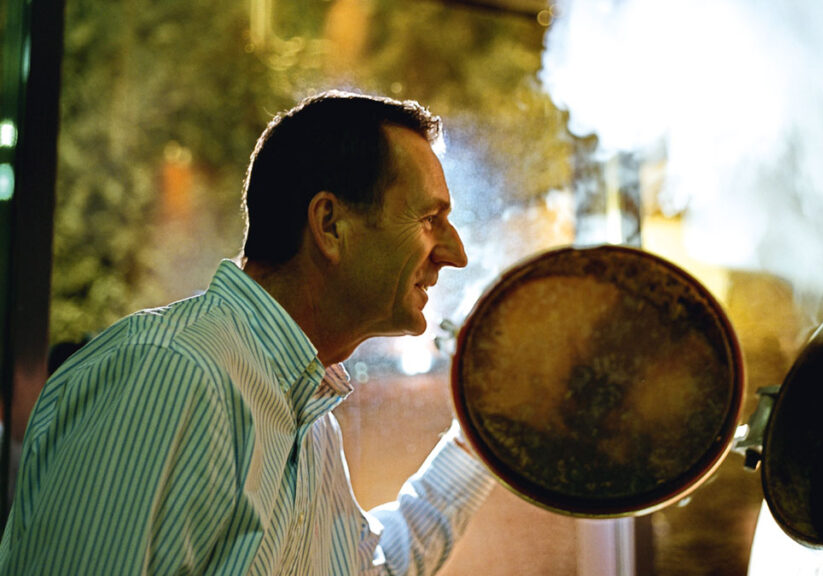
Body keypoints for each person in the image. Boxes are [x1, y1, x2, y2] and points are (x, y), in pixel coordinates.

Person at [0, 91, 496, 575]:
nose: (455, 253)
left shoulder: (310, 423)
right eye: (430, 219)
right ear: (330, 226)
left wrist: (481, 435)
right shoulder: (168, 372)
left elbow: (373, 568)